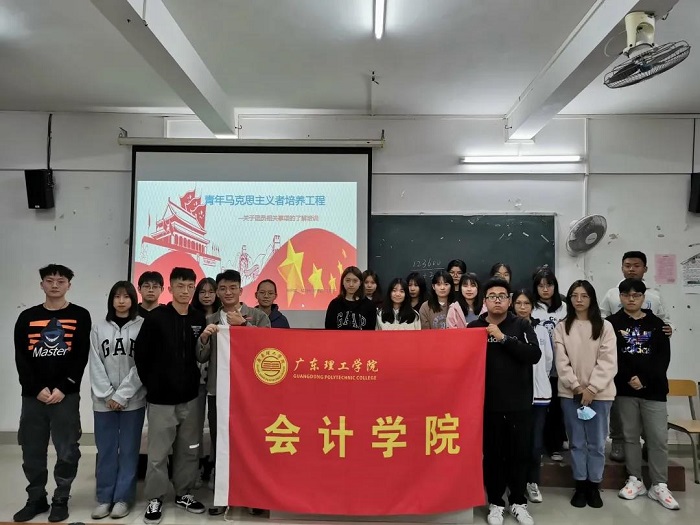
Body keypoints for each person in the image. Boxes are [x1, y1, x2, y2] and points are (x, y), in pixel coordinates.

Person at [135, 267, 215, 524]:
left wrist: (204, 339)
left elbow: (200, 356)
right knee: (158, 453)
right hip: (161, 399)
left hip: (191, 397)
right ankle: (155, 498)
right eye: (180, 286)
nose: (185, 291)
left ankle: (184, 493)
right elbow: (141, 356)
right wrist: (153, 385)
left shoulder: (198, 318)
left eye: (190, 286)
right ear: (170, 288)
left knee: (190, 450)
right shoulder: (156, 318)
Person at [13, 264, 92, 523]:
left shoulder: (80, 315)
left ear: (69, 285)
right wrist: (36, 388)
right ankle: (36, 498)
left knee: (67, 450)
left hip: (65, 396)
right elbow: (22, 358)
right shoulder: (26, 317)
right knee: (31, 450)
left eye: (61, 281)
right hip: (33, 397)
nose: (55, 285)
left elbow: (80, 356)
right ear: (42, 285)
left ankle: (61, 498)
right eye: (49, 280)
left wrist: (63, 387)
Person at [468, 279, 541, 525]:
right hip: (488, 406)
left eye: (502, 296)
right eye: (492, 296)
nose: (497, 300)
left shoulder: (521, 324)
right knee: (493, 456)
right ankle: (496, 503)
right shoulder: (474, 327)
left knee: (519, 455)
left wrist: (503, 338)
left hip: (519, 404)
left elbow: (534, 354)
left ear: (509, 301)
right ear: (484, 301)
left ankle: (519, 502)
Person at [202, 269, 270, 516]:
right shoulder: (211, 319)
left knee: (250, 443)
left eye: (233, 288)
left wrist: (244, 326)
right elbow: (201, 356)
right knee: (221, 443)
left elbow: (269, 348)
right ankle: (223, 496)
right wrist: (204, 339)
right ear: (217, 292)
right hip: (218, 391)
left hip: (250, 393)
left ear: (241, 290)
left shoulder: (258, 316)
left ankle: (252, 495)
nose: (228, 292)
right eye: (223, 288)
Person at [608, 279, 679, 510]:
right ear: (620, 297)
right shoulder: (611, 323)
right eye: (626, 295)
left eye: (636, 295)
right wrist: (630, 377)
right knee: (629, 436)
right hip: (624, 389)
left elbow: (662, 358)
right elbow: (612, 356)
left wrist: (644, 379)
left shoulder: (657, 324)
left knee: (657, 438)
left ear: (643, 297)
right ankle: (635, 479)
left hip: (654, 390)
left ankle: (659, 484)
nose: (631, 299)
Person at [599, 251, 673, 463]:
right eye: (627, 265)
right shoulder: (612, 294)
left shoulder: (654, 295)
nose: (631, 269)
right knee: (618, 407)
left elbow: (665, 321)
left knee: (651, 411)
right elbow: (602, 318)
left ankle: (649, 444)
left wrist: (669, 328)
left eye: (636, 265)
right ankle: (618, 441)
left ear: (645, 269)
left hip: (648, 360)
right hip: (621, 361)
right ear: (622, 267)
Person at [554, 280, 617, 509]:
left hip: (600, 395)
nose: (579, 300)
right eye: (574, 295)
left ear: (592, 298)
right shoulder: (562, 327)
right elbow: (561, 362)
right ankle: (580, 484)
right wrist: (576, 387)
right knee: (577, 442)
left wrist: (592, 389)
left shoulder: (605, 327)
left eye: (584, 295)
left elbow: (608, 361)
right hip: (571, 394)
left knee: (597, 443)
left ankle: (594, 485)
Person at [89, 281, 146, 520]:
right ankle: (105, 497)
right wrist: (108, 395)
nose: (121, 301)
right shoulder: (98, 328)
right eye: (117, 297)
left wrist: (122, 395)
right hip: (103, 401)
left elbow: (143, 363)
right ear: (111, 300)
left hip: (133, 400)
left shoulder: (143, 326)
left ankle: (123, 498)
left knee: (129, 450)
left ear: (133, 299)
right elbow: (95, 362)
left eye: (126, 297)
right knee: (106, 450)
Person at [511, 289, 553, 505]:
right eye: (518, 303)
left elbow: (547, 361)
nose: (522, 307)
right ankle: (513, 482)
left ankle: (532, 482)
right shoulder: (508, 329)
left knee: (535, 444)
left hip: (539, 396)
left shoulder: (542, 330)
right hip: (514, 396)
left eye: (526, 303)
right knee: (514, 443)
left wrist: (537, 381)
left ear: (532, 306)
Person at [530, 267, 567, 462]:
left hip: (561, 365)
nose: (545, 289)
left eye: (549, 285)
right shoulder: (531, 307)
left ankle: (555, 445)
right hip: (540, 366)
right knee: (540, 409)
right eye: (541, 285)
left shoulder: (564, 308)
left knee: (557, 409)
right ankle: (540, 445)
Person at [190, 278, 221, 489]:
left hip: (217, 380)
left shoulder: (223, 317)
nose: (207, 295)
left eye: (211, 291)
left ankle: (214, 465)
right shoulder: (192, 316)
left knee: (218, 427)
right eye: (203, 291)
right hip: (195, 381)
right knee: (195, 428)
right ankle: (197, 467)